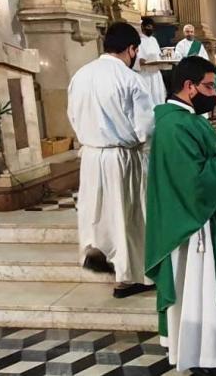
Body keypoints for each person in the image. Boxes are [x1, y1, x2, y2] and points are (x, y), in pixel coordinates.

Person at [145, 56, 216, 376]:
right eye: (209, 86)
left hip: (200, 218)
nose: (214, 94)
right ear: (188, 86)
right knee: (199, 289)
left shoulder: (186, 119)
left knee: (208, 288)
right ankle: (202, 353)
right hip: (191, 225)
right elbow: (195, 184)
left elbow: (204, 159)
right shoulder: (175, 125)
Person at [67, 22, 156, 299]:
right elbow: (146, 128)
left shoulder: (80, 75)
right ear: (131, 49)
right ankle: (129, 277)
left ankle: (101, 256)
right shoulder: (130, 80)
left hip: (91, 155)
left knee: (99, 213)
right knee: (126, 216)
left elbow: (72, 115)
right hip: (122, 156)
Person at [133, 17, 167, 104]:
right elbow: (135, 58)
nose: (150, 29)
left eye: (152, 27)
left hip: (156, 74)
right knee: (148, 99)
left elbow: (158, 54)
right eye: (148, 26)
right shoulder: (138, 40)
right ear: (142, 27)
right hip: (145, 74)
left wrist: (163, 58)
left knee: (158, 98)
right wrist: (139, 61)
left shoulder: (153, 40)